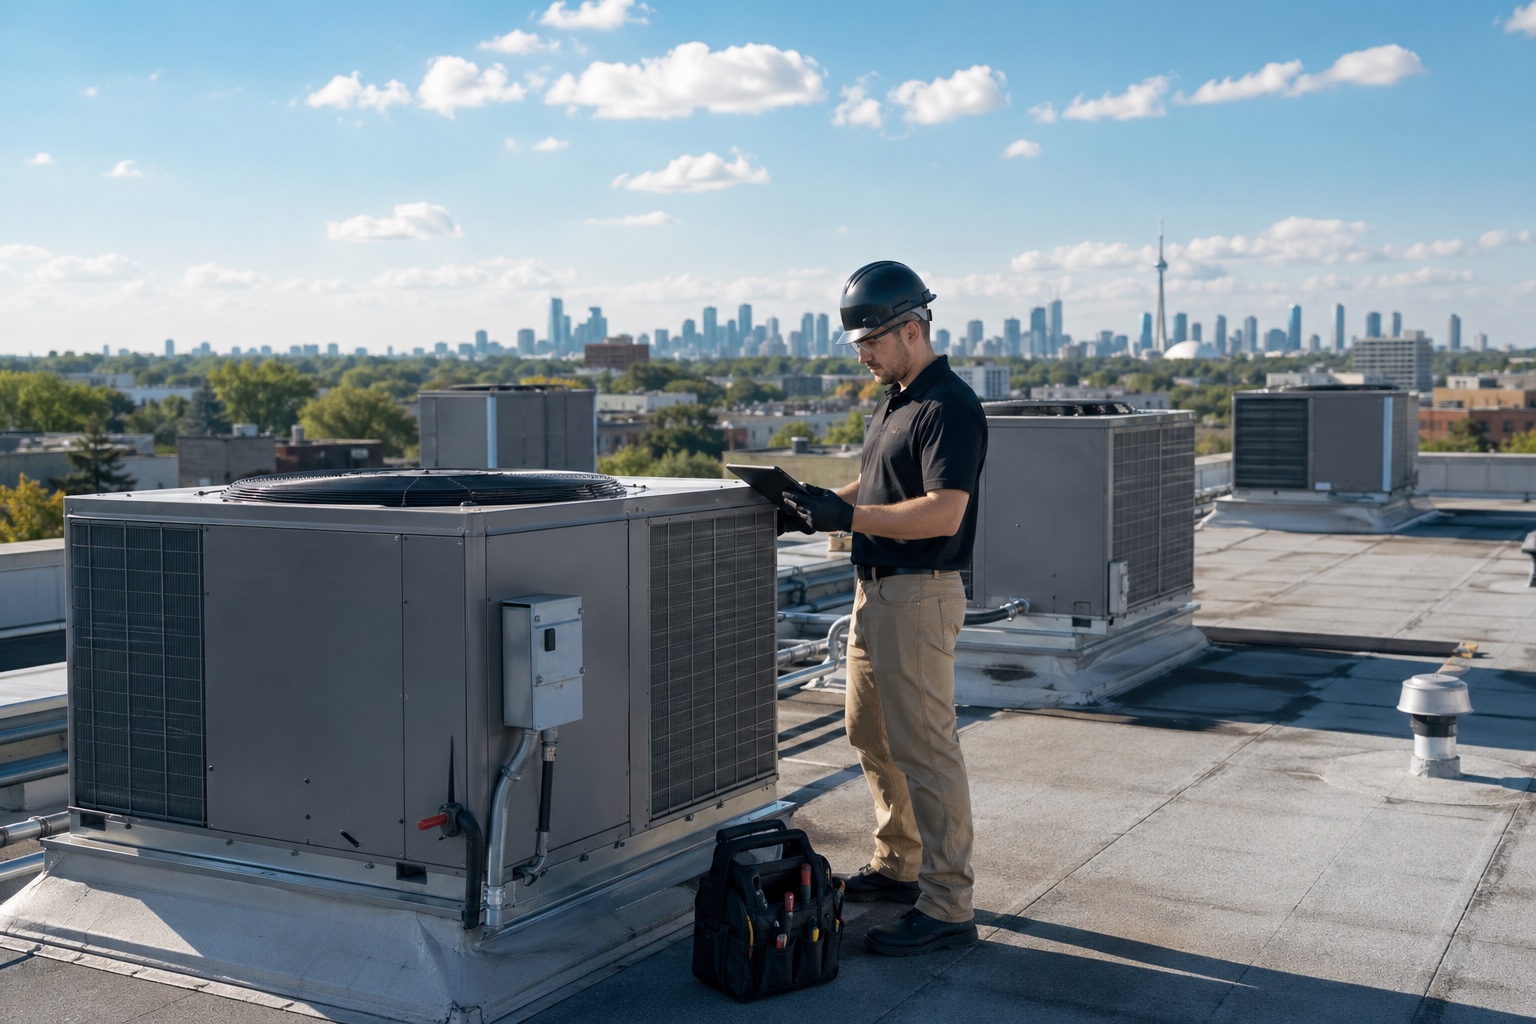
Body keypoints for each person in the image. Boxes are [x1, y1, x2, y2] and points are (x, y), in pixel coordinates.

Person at [783, 260, 988, 957]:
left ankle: (949, 905)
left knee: (926, 749)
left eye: (872, 340)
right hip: (877, 590)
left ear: (912, 327)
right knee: (869, 731)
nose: (864, 354)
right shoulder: (897, 398)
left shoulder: (948, 406)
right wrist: (817, 505)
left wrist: (849, 513)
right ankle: (899, 865)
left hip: (921, 591)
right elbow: (876, 485)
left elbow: (940, 512)